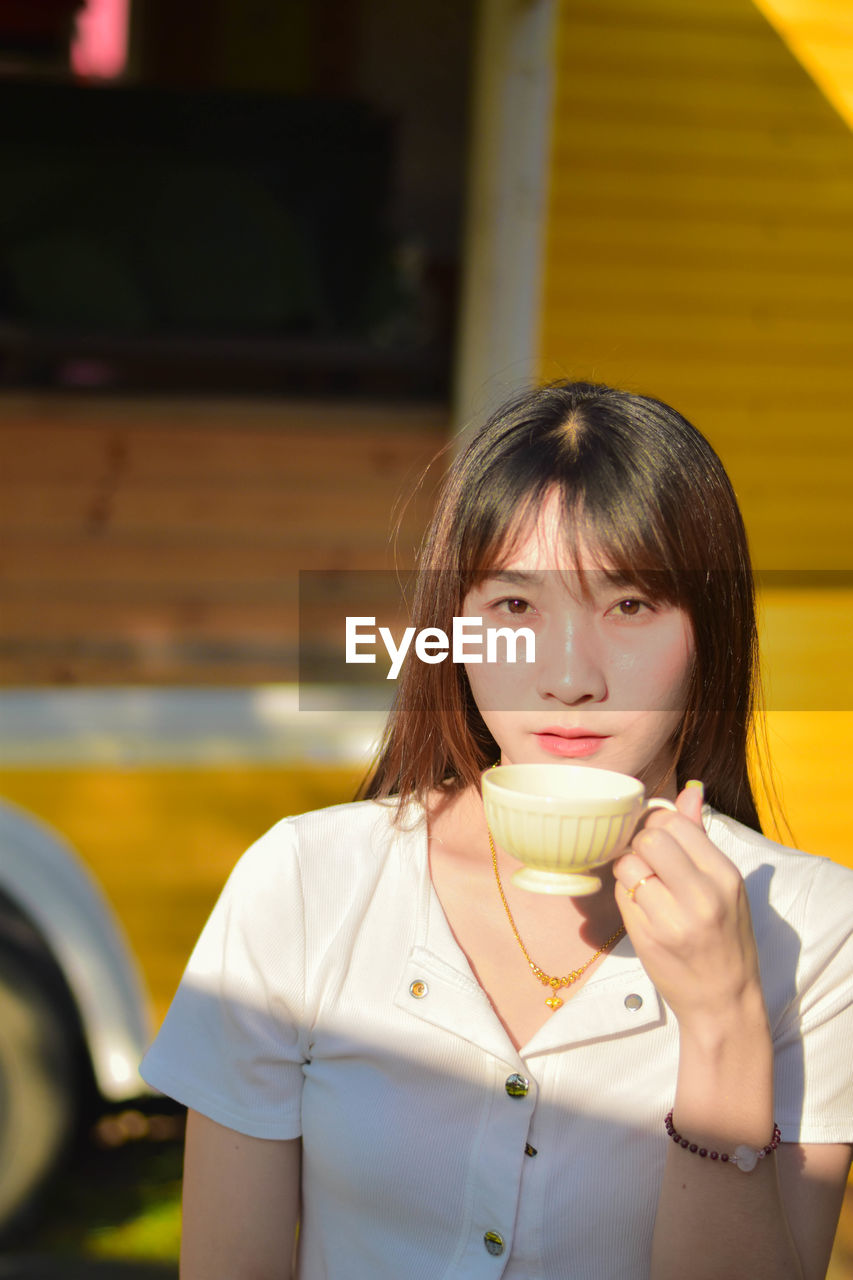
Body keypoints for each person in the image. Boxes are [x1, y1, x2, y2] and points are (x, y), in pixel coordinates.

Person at [141, 382, 853, 1280]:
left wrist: (722, 1024)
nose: (568, 677)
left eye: (629, 605)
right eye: (516, 608)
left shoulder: (817, 930)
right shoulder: (306, 879)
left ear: (709, 629)